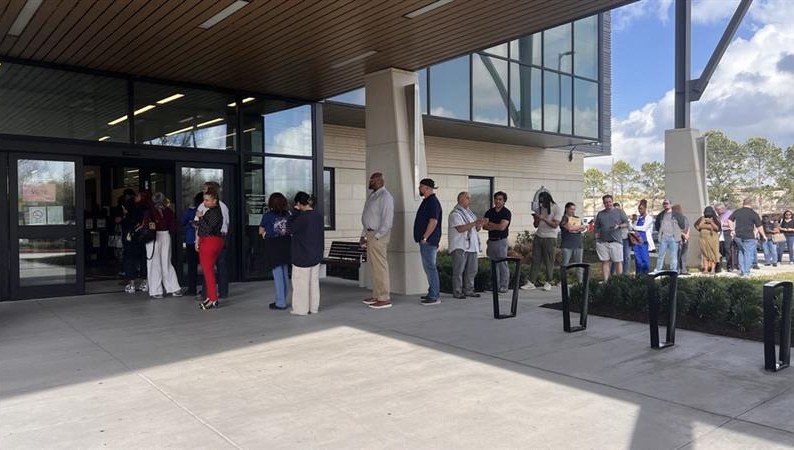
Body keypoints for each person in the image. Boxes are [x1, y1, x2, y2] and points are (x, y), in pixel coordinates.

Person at [359, 172, 395, 309]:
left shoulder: (385, 197)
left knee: (380, 267)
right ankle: (376, 295)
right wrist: (363, 235)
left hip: (378, 235)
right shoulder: (373, 195)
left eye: (372, 180)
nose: (370, 182)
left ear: (380, 181)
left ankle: (384, 298)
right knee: (374, 267)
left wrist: (378, 236)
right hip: (370, 233)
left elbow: (387, 220)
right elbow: (368, 217)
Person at [288, 192, 324, 316]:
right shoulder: (318, 216)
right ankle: (314, 308)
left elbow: (289, 228)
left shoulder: (302, 217)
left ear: (299, 203)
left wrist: (295, 212)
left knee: (300, 284)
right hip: (316, 254)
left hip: (302, 255)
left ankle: (301, 309)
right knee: (313, 283)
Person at [196, 181, 230, 300]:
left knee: (208, 268)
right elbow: (226, 223)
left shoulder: (206, 206)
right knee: (220, 266)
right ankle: (222, 292)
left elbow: (203, 226)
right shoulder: (222, 206)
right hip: (221, 238)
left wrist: (197, 240)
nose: (203, 190)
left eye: (205, 189)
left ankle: (208, 295)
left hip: (210, 238)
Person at [145, 192, 182, 299]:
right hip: (165, 234)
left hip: (153, 237)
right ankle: (173, 288)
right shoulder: (168, 211)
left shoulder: (150, 211)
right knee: (166, 262)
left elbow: (147, 225)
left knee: (154, 263)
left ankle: (156, 291)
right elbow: (174, 226)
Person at [258, 192, 292, 310]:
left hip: (273, 246)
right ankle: (283, 297)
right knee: (284, 273)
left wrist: (266, 233)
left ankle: (280, 302)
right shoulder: (288, 214)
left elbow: (260, 231)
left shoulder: (267, 216)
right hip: (286, 244)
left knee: (277, 274)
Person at [448, 191, 483, 299]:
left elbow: (475, 228)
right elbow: (460, 228)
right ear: (461, 199)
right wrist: (474, 223)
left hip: (472, 246)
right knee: (459, 270)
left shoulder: (469, 212)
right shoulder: (455, 213)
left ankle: (469, 290)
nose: (469, 200)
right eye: (467, 198)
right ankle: (457, 291)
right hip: (460, 246)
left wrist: (479, 225)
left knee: (472, 270)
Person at [414, 178, 443, 305]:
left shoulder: (432, 202)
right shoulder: (427, 201)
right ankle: (432, 292)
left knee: (430, 268)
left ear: (427, 188)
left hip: (429, 241)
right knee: (428, 268)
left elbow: (433, 221)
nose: (419, 189)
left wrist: (425, 237)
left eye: (421, 187)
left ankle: (434, 296)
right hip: (427, 240)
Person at [525, 191, 562, 290]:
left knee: (549, 260)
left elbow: (555, 225)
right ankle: (531, 282)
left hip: (550, 237)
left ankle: (549, 281)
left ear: (548, 200)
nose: (542, 204)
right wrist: (536, 219)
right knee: (535, 259)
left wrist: (544, 218)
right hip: (539, 235)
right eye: (540, 202)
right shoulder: (539, 209)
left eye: (543, 202)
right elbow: (536, 225)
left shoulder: (556, 208)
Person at [594, 195, 629, 281]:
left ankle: (619, 281)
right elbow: (596, 227)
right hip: (603, 242)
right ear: (603, 203)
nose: (608, 204)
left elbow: (627, 223)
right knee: (605, 261)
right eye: (606, 202)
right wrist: (596, 238)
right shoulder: (600, 214)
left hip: (616, 241)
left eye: (609, 202)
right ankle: (606, 281)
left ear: (612, 201)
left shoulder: (620, 212)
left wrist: (619, 226)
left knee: (618, 261)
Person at [729, 198, 766, 277]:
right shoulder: (753, 213)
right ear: (751, 204)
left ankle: (742, 270)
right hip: (749, 236)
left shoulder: (737, 212)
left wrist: (732, 229)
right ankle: (746, 272)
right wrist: (763, 235)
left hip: (738, 235)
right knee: (748, 253)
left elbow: (729, 220)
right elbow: (759, 226)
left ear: (743, 203)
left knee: (741, 252)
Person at [484, 191, 511, 293]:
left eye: (500, 199)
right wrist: (495, 225)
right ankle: (496, 285)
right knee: (493, 264)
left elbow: (502, 227)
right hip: (491, 241)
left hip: (501, 241)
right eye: (496, 199)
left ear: (504, 201)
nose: (498, 201)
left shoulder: (506, 212)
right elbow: (484, 226)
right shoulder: (489, 212)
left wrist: (491, 224)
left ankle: (504, 286)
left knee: (502, 264)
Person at [653, 199, 686, 273]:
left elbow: (682, 225)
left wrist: (678, 234)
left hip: (673, 238)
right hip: (664, 238)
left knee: (673, 256)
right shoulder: (661, 215)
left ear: (670, 205)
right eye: (664, 204)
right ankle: (658, 269)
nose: (665, 205)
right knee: (660, 255)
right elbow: (657, 225)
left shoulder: (677, 214)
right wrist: (661, 234)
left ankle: (673, 270)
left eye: (667, 203)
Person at [180, 192, 203, 296]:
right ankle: (205, 288)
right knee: (206, 266)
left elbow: (182, 221)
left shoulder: (191, 211)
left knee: (192, 266)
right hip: (203, 241)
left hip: (191, 240)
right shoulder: (207, 210)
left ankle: (192, 288)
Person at [558, 202, 587, 283]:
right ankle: (562, 281)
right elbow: (569, 228)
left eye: (574, 209)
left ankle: (580, 281)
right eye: (571, 209)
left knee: (579, 264)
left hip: (578, 244)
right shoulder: (563, 219)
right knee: (565, 263)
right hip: (567, 245)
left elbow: (583, 228)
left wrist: (576, 228)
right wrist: (577, 228)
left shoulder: (576, 218)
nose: (573, 211)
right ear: (566, 209)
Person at [694, 206, 721, 274]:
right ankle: (705, 269)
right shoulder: (702, 218)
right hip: (703, 239)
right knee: (705, 254)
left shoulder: (715, 219)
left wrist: (711, 222)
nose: (707, 215)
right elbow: (696, 225)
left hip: (712, 239)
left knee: (713, 254)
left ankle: (712, 269)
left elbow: (718, 229)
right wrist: (700, 229)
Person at [632, 199, 655, 275]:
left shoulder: (649, 218)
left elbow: (644, 228)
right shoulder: (638, 218)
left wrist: (634, 227)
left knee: (644, 260)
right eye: (639, 209)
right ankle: (638, 276)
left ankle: (645, 276)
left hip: (644, 241)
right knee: (638, 260)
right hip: (636, 241)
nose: (639, 210)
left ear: (645, 208)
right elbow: (632, 227)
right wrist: (633, 223)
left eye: (641, 209)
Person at [715, 203, 737, 271]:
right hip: (721, 233)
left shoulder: (729, 214)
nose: (717, 212)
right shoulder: (720, 215)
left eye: (717, 210)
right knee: (721, 249)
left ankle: (730, 265)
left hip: (728, 232)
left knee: (728, 249)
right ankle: (719, 266)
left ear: (721, 209)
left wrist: (722, 224)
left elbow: (732, 224)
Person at [611, 202, 631, 275]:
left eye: (618, 209)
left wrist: (620, 225)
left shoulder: (623, 217)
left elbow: (629, 225)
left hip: (625, 238)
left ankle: (625, 274)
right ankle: (612, 273)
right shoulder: (611, 218)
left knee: (626, 257)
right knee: (615, 258)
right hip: (616, 239)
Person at [672, 204, 691, 275]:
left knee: (684, 255)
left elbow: (688, 227)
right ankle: (677, 270)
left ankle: (684, 269)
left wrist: (687, 235)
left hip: (685, 239)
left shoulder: (684, 218)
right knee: (677, 255)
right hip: (677, 239)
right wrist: (684, 235)